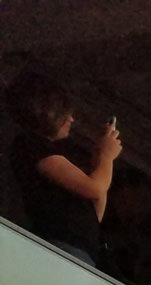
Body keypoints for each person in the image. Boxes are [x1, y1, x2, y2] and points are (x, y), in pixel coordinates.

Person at [6, 72, 120, 266]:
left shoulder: (51, 152)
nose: (72, 120)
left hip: (81, 251)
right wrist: (106, 158)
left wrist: (99, 163)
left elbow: (95, 207)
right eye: (65, 113)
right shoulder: (31, 144)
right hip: (62, 247)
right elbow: (94, 188)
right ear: (46, 111)